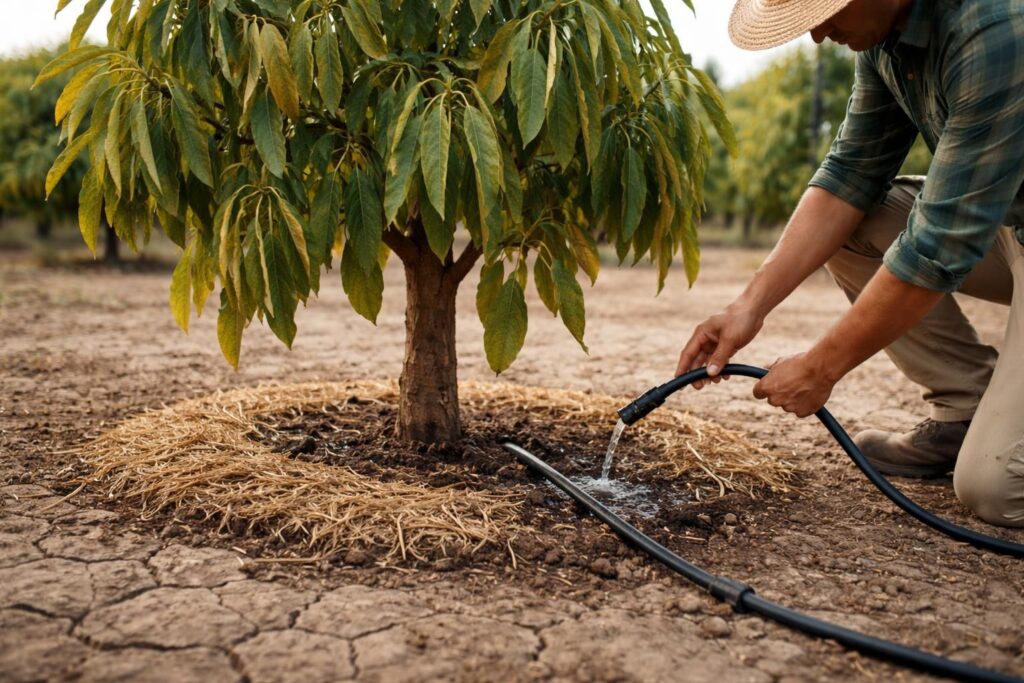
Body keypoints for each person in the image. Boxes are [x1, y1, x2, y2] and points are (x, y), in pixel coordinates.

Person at [677, 0, 1024, 527]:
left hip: (989, 224)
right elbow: (850, 176)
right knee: (858, 225)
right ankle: (966, 411)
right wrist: (747, 307)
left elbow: (939, 248)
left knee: (997, 488)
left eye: (823, 9)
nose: (816, 34)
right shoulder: (887, 35)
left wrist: (821, 368)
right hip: (1007, 220)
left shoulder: (996, 32)